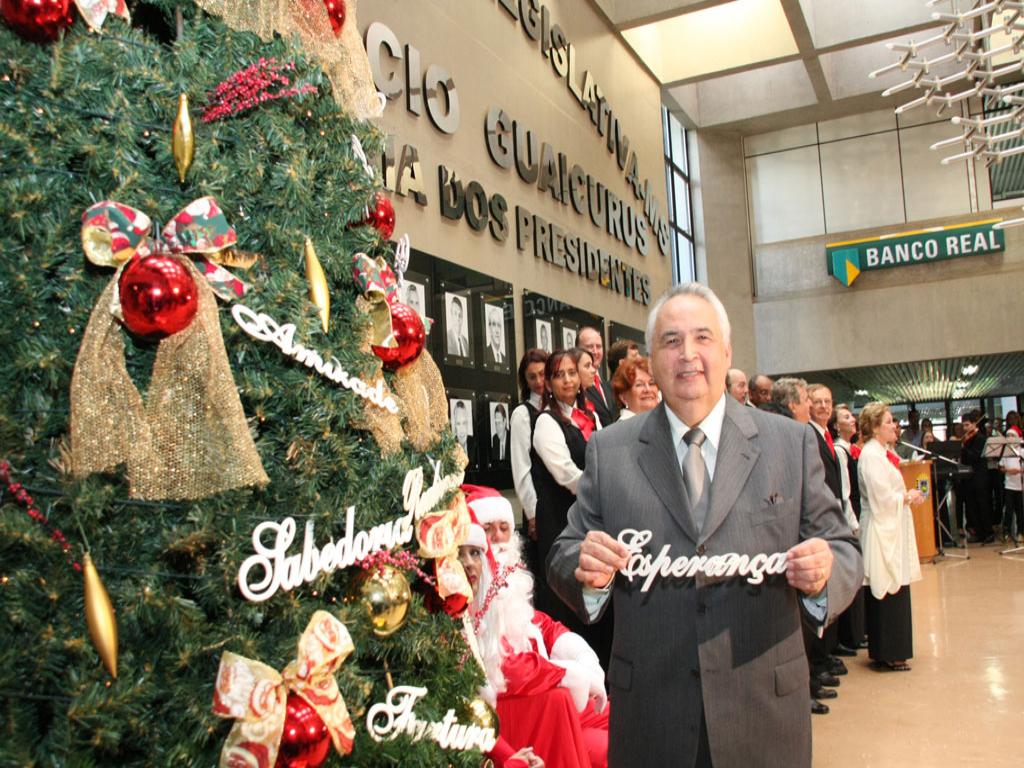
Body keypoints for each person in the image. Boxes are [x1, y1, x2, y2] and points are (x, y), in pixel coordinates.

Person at [546, 283, 862, 768]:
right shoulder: (612, 452)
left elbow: (843, 548)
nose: (688, 354)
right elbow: (564, 552)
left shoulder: (789, 445)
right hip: (651, 716)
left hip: (764, 714)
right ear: (652, 360)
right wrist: (584, 568)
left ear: (727, 351)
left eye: (702, 338)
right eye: (671, 341)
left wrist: (824, 576)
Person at [460, 492, 609, 768]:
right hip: (527, 705)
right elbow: (498, 662)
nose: (498, 538)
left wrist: (578, 652)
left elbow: (534, 621)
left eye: (504, 528)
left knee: (625, 719)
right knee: (607, 746)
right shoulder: (473, 589)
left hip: (549, 694)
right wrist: (566, 674)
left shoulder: (509, 580)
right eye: (488, 529)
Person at [531, 348, 610, 667]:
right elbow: (565, 474)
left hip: (590, 521)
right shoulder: (545, 422)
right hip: (560, 522)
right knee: (565, 599)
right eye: (559, 375)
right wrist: (603, 491)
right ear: (548, 383)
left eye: (572, 373)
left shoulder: (591, 417)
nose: (567, 380)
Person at [857, 402, 922, 672]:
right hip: (881, 529)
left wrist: (906, 497)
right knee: (887, 584)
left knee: (895, 584)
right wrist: (906, 496)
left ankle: (893, 649)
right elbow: (881, 498)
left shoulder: (882, 452)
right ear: (874, 428)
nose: (894, 426)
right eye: (887, 421)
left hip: (891, 527)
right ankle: (889, 651)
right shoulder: (871, 455)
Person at [833, 402, 865, 655]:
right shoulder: (840, 451)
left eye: (852, 416)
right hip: (850, 514)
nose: (852, 420)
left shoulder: (852, 449)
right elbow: (844, 492)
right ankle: (851, 634)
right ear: (836, 426)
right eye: (846, 417)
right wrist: (852, 523)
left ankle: (859, 630)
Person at [511, 350, 549, 547]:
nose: (539, 381)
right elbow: (521, 469)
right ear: (525, 381)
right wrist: (532, 514)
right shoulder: (522, 414)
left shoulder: (558, 408)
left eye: (542, 374)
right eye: (532, 377)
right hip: (539, 508)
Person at [960, 410, 993, 543]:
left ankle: (988, 533)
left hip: (980, 477)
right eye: (963, 425)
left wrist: (963, 448)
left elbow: (975, 456)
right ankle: (979, 533)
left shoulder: (980, 438)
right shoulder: (967, 438)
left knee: (983, 505)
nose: (965, 428)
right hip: (970, 477)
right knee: (972, 506)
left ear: (974, 424)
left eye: (967, 425)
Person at [578, 326, 619, 427]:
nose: (595, 351)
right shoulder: (578, 388)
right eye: (590, 346)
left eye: (599, 346)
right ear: (577, 350)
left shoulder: (609, 387)